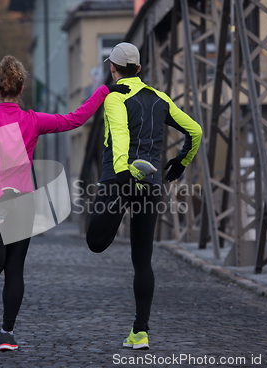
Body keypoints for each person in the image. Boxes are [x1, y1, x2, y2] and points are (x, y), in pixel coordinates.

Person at [0, 55, 130, 351]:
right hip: (23, 199)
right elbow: (75, 119)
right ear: (22, 89)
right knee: (15, 270)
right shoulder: (33, 120)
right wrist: (104, 90)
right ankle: (7, 333)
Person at [86, 42, 202, 349]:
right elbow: (195, 132)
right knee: (142, 260)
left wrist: (124, 176)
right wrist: (180, 162)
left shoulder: (115, 96)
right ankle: (140, 332)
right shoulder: (161, 98)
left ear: (112, 68)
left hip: (119, 179)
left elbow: (121, 136)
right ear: (139, 69)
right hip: (151, 184)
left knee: (95, 243)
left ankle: (139, 332)